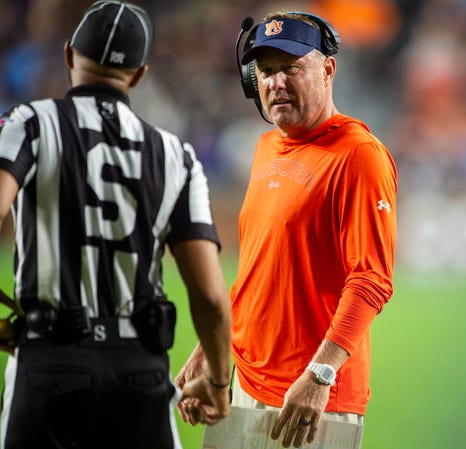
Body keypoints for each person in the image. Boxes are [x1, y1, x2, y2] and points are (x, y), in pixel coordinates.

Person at [0, 2, 232, 448]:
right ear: (140, 75)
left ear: (69, 55)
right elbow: (209, 295)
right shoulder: (176, 155)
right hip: (139, 373)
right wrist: (219, 384)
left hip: (49, 361)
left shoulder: (28, 123)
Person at [176, 10, 397, 448]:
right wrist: (212, 350)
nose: (275, 82)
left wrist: (320, 375)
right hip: (243, 384)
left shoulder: (359, 156)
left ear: (327, 70)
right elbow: (259, 268)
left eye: (291, 68)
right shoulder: (265, 147)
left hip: (312, 399)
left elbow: (372, 279)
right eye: (265, 71)